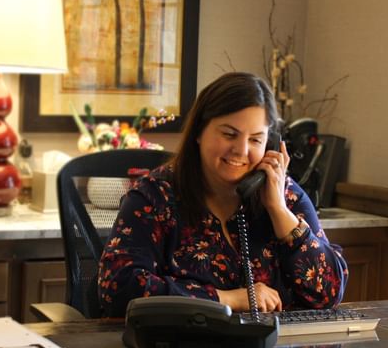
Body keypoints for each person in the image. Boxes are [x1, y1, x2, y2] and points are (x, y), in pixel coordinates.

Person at [98, 72, 348, 317]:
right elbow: (117, 290)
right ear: (199, 132)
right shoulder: (154, 197)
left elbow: (329, 293)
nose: (241, 150)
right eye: (229, 134)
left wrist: (279, 210)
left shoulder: (284, 193)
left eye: (256, 140)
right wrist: (230, 299)